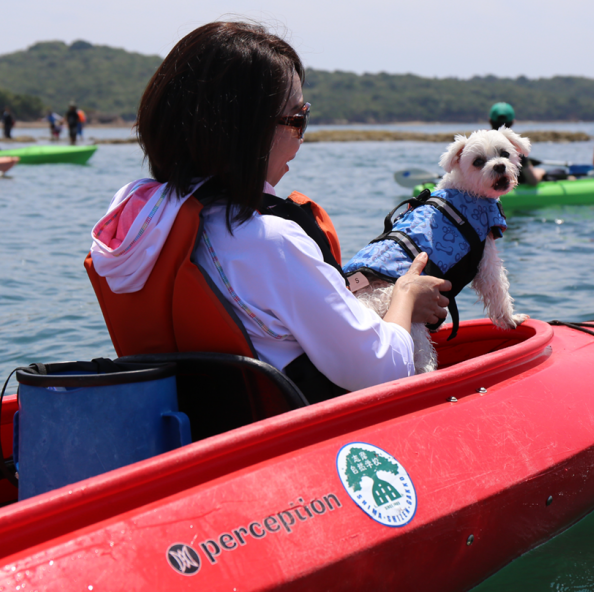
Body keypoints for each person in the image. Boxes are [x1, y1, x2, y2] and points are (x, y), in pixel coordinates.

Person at [87, 22, 449, 402]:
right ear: (244, 132)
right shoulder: (270, 242)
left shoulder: (135, 223)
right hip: (288, 441)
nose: (301, 137)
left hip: (188, 426)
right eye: (297, 120)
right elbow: (383, 371)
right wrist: (404, 297)